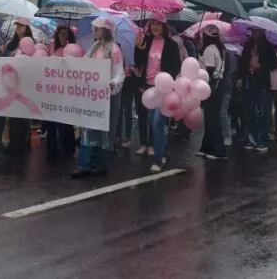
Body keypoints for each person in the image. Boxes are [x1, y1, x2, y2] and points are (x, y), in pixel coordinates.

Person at [71, 17, 125, 178]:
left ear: (105, 30)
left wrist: (112, 83)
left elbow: (118, 72)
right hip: (92, 95)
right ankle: (85, 163)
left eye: (97, 29)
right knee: (88, 128)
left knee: (102, 130)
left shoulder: (114, 49)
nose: (94, 31)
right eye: (94, 29)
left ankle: (100, 163)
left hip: (105, 96)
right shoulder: (94, 47)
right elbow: (84, 64)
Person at [135, 13, 181, 173]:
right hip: (147, 88)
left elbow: (176, 67)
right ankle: (163, 151)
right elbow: (139, 64)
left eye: (158, 24)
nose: (155, 27)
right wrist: (138, 48)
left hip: (163, 89)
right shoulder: (146, 42)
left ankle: (158, 160)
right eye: (152, 24)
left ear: (164, 26)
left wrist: (167, 82)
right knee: (153, 122)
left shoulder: (171, 45)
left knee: (157, 123)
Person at [237, 28, 277, 152]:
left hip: (262, 82)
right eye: (253, 30)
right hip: (249, 79)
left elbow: (274, 64)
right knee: (250, 112)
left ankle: (262, 140)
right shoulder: (248, 45)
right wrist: (240, 77)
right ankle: (251, 138)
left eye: (257, 31)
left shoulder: (267, 46)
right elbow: (242, 63)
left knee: (263, 112)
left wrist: (261, 65)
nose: (255, 33)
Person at [2, 18, 34, 154]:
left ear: (26, 28)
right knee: (13, 115)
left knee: (23, 115)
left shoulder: (31, 44)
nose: (18, 28)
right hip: (11, 84)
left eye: (21, 26)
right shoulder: (12, 44)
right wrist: (4, 51)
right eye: (17, 26)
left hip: (25, 85)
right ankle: (13, 141)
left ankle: (23, 142)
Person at [45, 25, 77, 160]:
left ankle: (68, 148)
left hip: (67, 90)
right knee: (51, 122)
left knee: (65, 122)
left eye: (65, 34)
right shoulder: (52, 46)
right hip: (52, 89)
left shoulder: (74, 48)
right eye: (60, 33)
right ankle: (51, 150)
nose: (62, 36)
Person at [197, 24, 227, 159]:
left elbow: (209, 70)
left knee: (212, 119)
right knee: (210, 118)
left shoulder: (209, 49)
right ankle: (206, 147)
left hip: (211, 85)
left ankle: (219, 150)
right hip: (219, 85)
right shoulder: (220, 48)